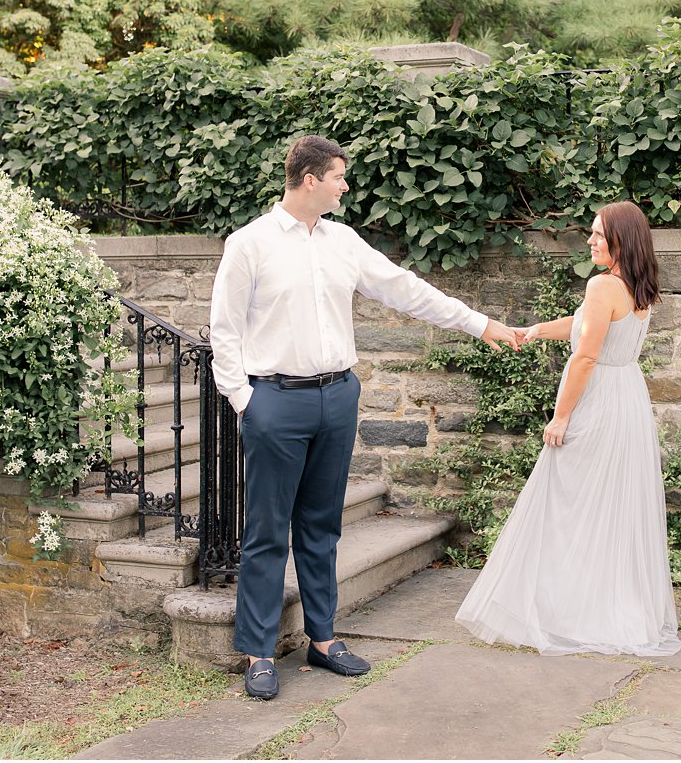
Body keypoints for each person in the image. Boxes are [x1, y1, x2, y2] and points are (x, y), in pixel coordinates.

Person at [210, 134, 520, 700]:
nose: (344, 186)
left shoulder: (343, 242)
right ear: (310, 180)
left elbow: (408, 291)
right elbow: (224, 330)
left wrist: (481, 324)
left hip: (337, 396)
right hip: (274, 400)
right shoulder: (249, 244)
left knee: (323, 526)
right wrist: (243, 400)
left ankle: (324, 640)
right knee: (265, 531)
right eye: (338, 177)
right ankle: (257, 650)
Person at [455, 200, 681, 657]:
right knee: (608, 507)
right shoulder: (635, 284)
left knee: (565, 501)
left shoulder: (602, 285)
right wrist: (537, 329)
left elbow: (585, 355)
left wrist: (561, 417)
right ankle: (602, 606)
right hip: (628, 402)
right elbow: (586, 328)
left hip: (597, 403)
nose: (591, 240)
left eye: (599, 234)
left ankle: (566, 610)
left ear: (622, 239)